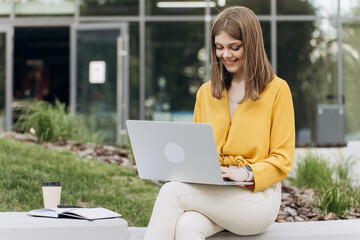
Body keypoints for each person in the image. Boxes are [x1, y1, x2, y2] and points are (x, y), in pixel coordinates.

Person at [143, 6, 295, 240]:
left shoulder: (277, 90)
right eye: (219, 47)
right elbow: (194, 151)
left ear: (251, 45)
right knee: (187, 225)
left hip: (258, 197)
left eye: (235, 47)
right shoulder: (206, 93)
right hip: (216, 190)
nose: (226, 55)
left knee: (172, 193)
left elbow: (282, 159)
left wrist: (244, 173)